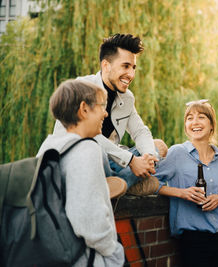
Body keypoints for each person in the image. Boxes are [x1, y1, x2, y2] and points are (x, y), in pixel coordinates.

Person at [53, 33, 164, 195]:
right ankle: (124, 184)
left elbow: (140, 131)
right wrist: (131, 161)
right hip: (76, 160)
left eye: (133, 68)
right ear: (106, 66)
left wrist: (148, 157)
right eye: (125, 66)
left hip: (111, 162)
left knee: (158, 147)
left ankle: (115, 185)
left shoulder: (126, 98)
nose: (131, 75)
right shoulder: (81, 88)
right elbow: (86, 136)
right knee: (95, 151)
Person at [37, 80, 124, 266]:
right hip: (86, 258)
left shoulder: (48, 147)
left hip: (53, 254)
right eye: (102, 106)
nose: (106, 113)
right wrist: (114, 251)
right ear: (84, 109)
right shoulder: (87, 149)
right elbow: (88, 218)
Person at [154, 100, 218, 267]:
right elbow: (151, 183)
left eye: (201, 117)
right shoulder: (177, 153)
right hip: (193, 238)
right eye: (189, 118)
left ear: (211, 125)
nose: (194, 122)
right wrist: (181, 193)